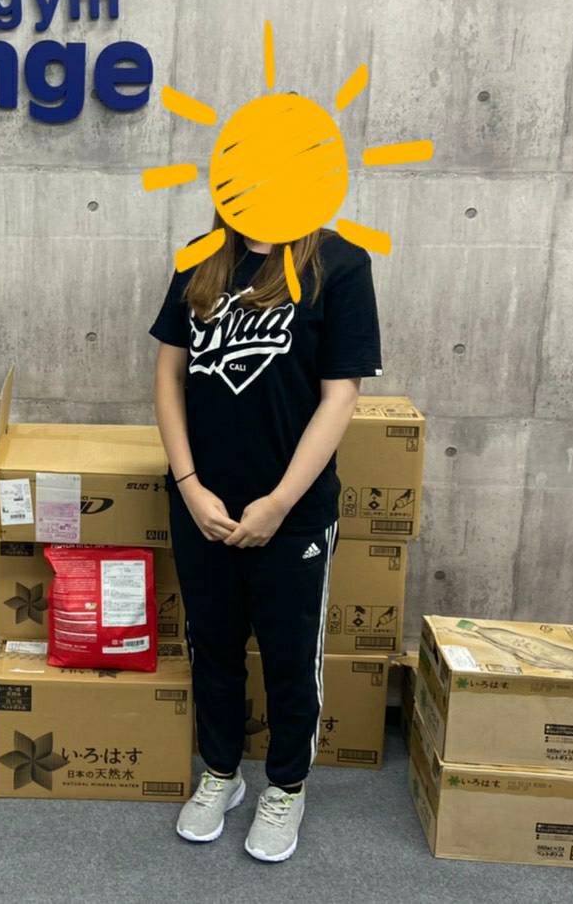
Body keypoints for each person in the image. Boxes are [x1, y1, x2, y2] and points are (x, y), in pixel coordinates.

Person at [149, 217, 382, 863]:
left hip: (293, 514)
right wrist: (189, 486)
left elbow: (341, 396)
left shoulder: (339, 262)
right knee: (212, 646)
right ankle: (221, 773)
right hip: (203, 505)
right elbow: (168, 376)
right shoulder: (202, 257)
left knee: (289, 657)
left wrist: (279, 503)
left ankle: (286, 786)